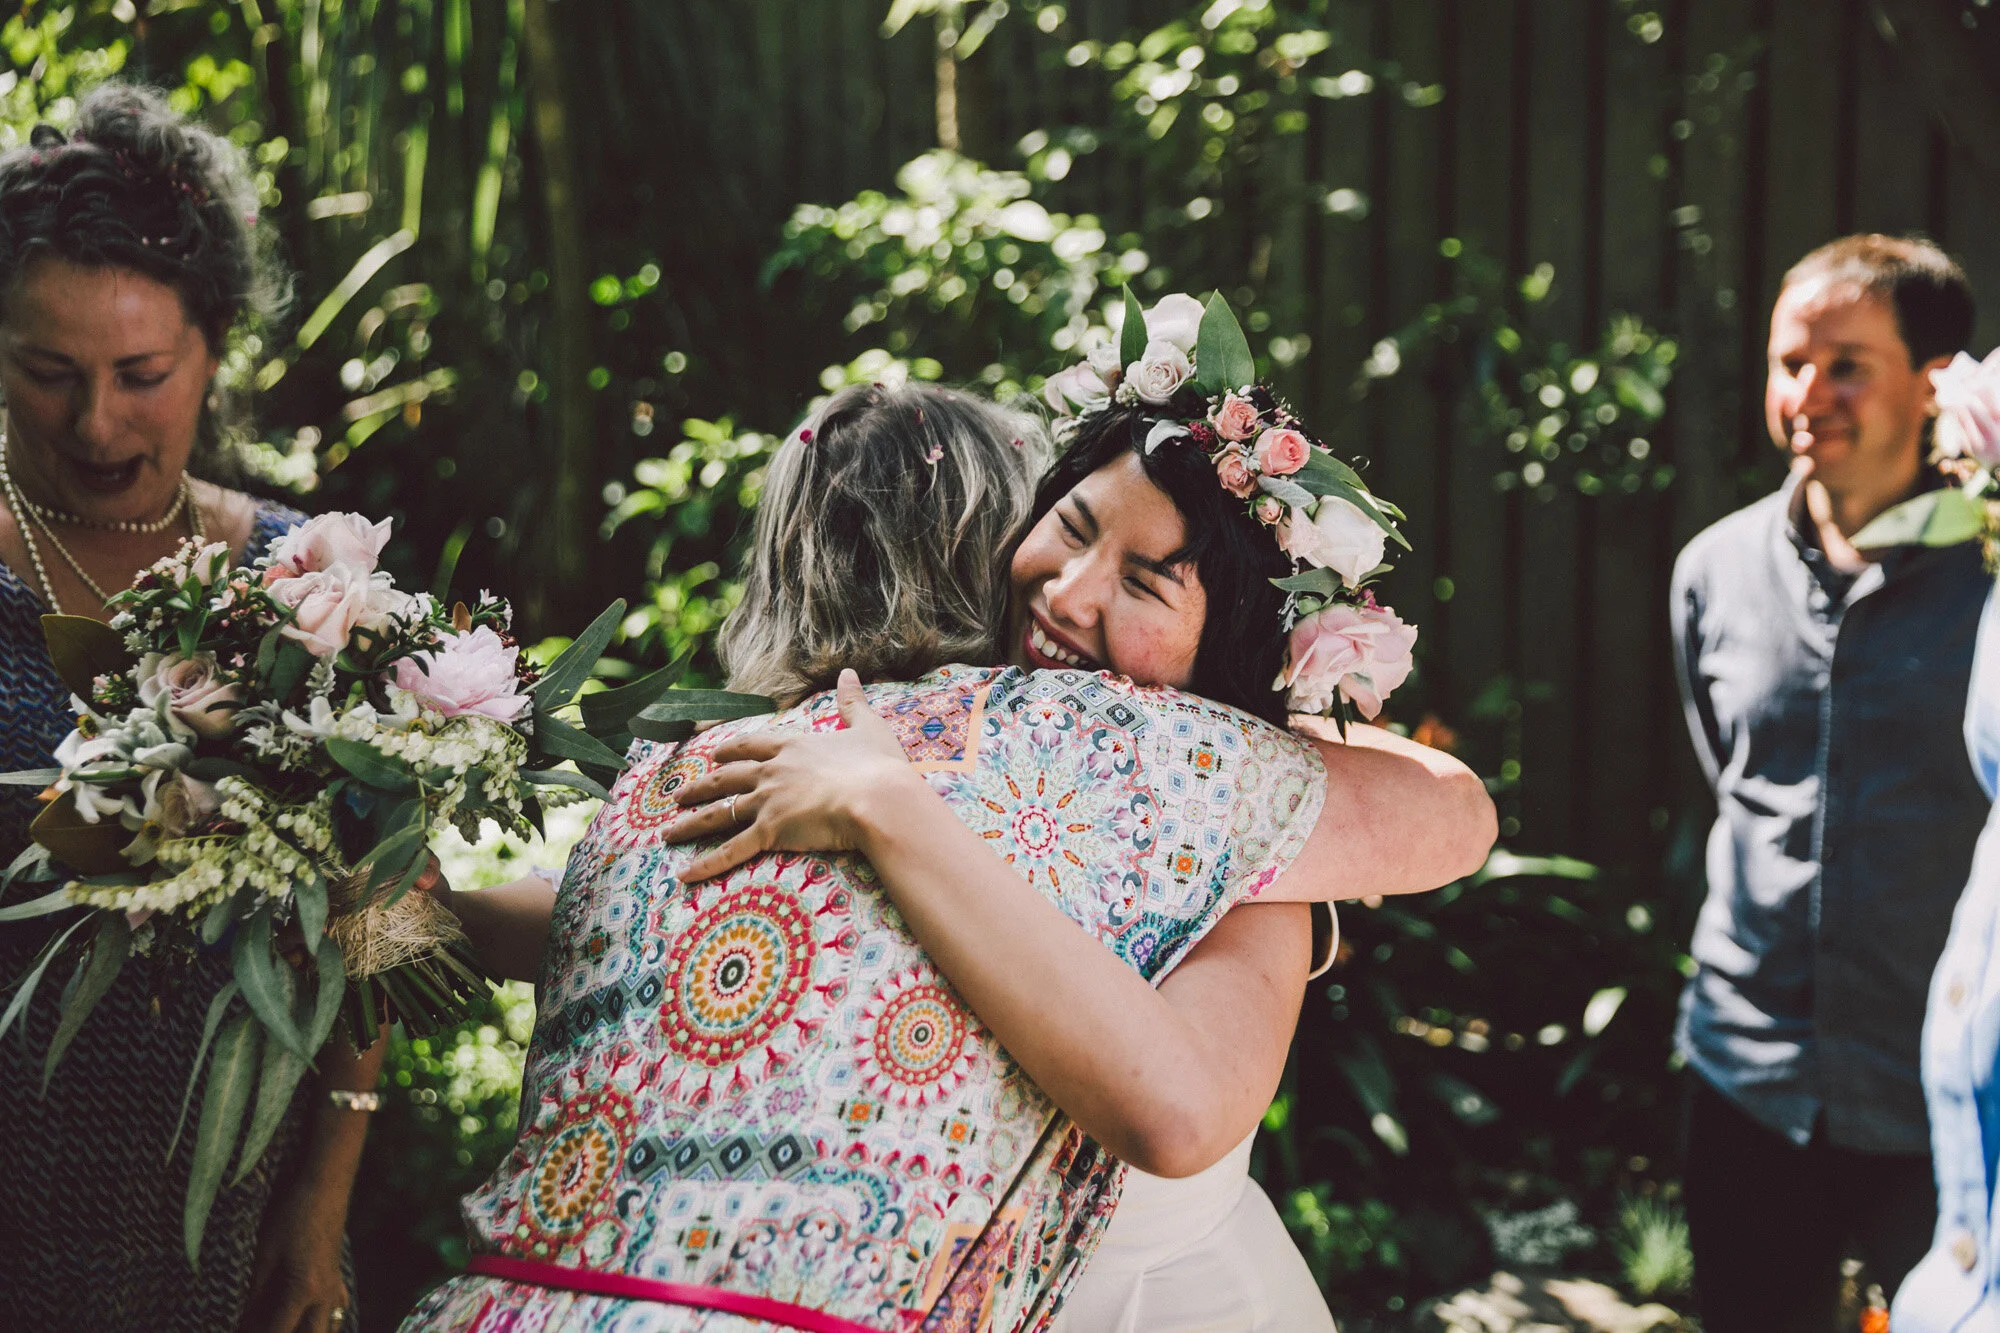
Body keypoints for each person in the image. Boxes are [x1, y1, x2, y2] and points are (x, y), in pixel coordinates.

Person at [407, 376, 1491, 1330]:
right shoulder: (846, 766)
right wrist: (432, 912)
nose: (1067, 594)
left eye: (1146, 581)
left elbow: (1184, 1107)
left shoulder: (1171, 778)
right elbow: (651, 909)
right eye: (1065, 527)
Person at [0, 84, 380, 1333]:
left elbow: (388, 916)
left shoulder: (309, 587)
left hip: (227, 1227)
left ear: (213, 349)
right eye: (46, 372)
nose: (94, 421)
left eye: (141, 374)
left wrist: (322, 1202)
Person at [1670, 234, 1989, 1327]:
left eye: (1845, 365)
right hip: (1747, 1077)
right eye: (1789, 362)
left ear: (1933, 382)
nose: (1807, 394)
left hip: (1943, 1093)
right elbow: (1729, 776)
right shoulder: (1713, 571)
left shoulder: (1991, 580)